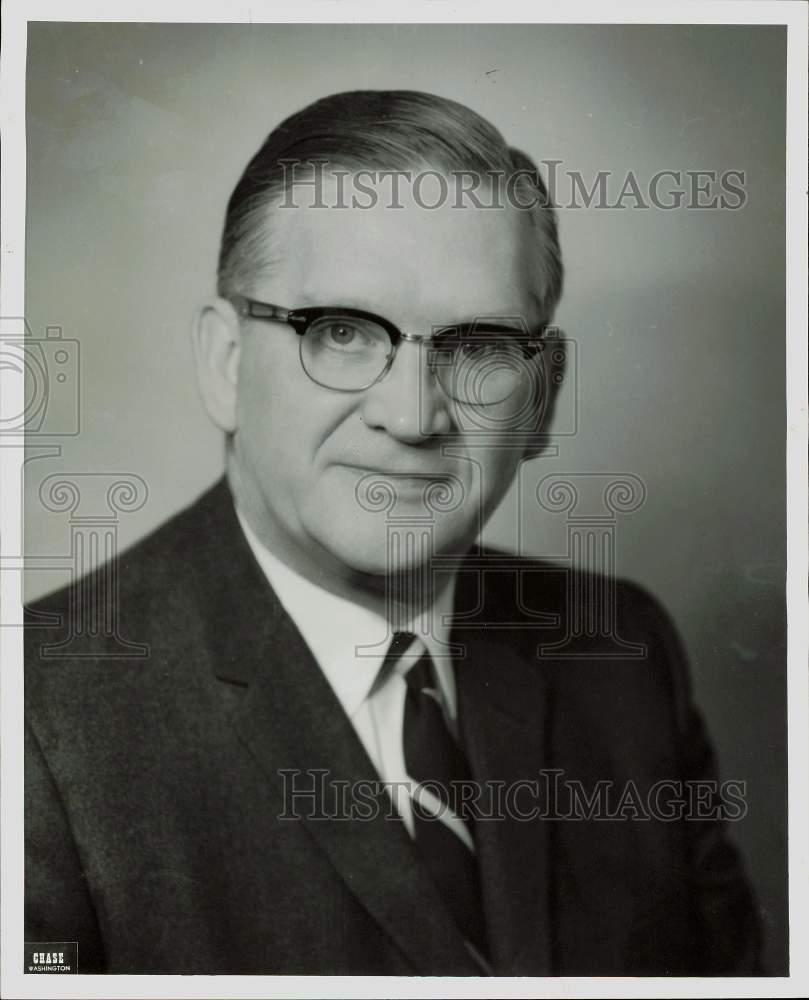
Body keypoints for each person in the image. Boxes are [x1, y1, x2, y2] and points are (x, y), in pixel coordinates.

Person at [24, 89, 761, 976]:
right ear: (224, 364)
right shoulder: (37, 725)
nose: (413, 416)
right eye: (339, 333)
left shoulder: (623, 654)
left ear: (542, 395)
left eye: (479, 345)